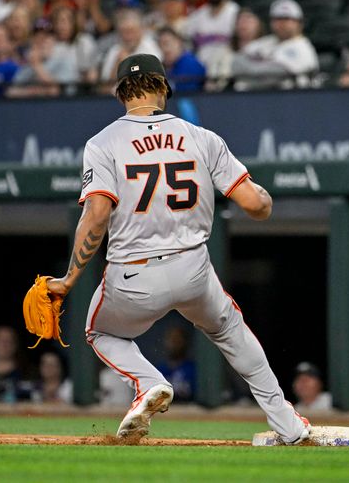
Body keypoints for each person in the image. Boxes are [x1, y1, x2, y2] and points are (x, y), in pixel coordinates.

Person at [42, 53, 311, 443]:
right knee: (233, 332)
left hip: (132, 272)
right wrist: (266, 198)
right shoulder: (201, 137)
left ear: (120, 94)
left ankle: (148, 382)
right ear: (164, 88)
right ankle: (286, 423)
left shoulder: (103, 143)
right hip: (193, 268)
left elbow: (96, 216)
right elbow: (255, 205)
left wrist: (69, 278)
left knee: (99, 333)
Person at [232, 0, 318, 91]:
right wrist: (263, 68)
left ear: (299, 23)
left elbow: (278, 73)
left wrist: (252, 70)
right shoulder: (265, 42)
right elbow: (236, 63)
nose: (281, 23)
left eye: (287, 19)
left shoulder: (303, 48)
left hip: (292, 99)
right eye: (277, 19)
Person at [184, 0, 240, 75]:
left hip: (229, 71)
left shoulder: (236, 13)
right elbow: (189, 47)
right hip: (200, 72)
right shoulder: (196, 17)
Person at [99, 8, 162, 83]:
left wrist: (128, 65)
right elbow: (104, 86)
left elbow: (151, 80)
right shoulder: (115, 50)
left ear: (141, 31)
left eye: (131, 31)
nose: (128, 37)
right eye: (123, 32)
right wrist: (117, 64)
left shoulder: (151, 48)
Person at [157, 26, 206, 92]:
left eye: (166, 43)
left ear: (178, 42)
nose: (164, 49)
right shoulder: (162, 67)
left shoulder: (190, 64)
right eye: (160, 45)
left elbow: (187, 94)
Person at [156, 326, 196, 402]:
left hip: (189, 410)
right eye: (171, 339)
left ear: (185, 342)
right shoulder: (160, 370)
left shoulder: (192, 369)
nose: (174, 344)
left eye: (177, 340)